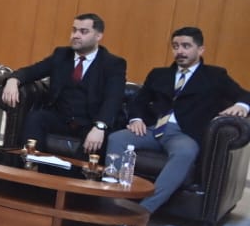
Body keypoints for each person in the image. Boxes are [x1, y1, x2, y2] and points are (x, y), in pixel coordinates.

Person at [105, 27, 249, 214]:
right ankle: (111, 201)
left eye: (186, 46)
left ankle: (143, 210)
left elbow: (245, 95)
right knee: (117, 139)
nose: (180, 51)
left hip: (184, 134)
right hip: (152, 129)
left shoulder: (215, 76)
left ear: (200, 49)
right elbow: (139, 101)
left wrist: (242, 106)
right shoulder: (159, 74)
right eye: (175, 46)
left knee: (185, 153)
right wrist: (136, 119)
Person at [0, 13, 127, 154]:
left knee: (96, 142)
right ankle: (29, 162)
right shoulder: (61, 55)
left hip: (91, 122)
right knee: (36, 118)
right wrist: (13, 80)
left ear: (98, 36)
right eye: (74, 30)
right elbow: (32, 71)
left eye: (83, 31)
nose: (76, 35)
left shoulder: (113, 64)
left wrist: (100, 126)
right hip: (61, 118)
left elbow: (113, 99)